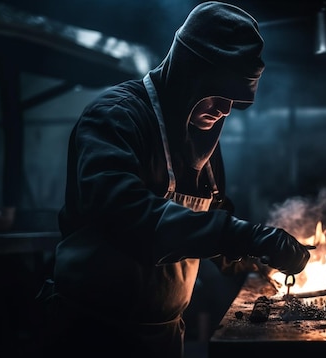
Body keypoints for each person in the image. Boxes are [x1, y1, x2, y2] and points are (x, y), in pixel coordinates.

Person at [39, 2, 311, 357]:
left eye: (235, 100)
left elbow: (209, 228)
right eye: (218, 92)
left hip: (164, 334)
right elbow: (130, 217)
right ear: (188, 73)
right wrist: (243, 235)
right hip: (92, 331)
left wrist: (258, 253)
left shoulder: (202, 141)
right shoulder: (116, 118)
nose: (225, 109)